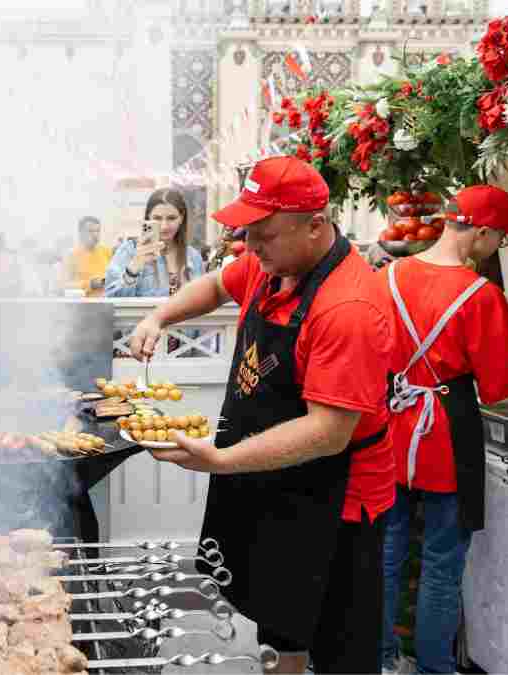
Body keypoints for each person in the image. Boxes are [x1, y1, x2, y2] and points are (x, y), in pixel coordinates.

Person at [127, 157, 396, 674]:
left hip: (337, 500)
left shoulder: (349, 308)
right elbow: (215, 285)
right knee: (280, 626)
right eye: (247, 233)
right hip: (277, 478)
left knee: (341, 648)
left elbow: (327, 432)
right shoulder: (275, 262)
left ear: (314, 226)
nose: (251, 247)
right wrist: (158, 315)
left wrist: (220, 460)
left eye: (263, 235)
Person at [378, 185, 508, 675]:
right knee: (441, 566)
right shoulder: (480, 295)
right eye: (502, 239)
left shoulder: (389, 276)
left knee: (385, 556)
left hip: (393, 431)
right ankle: (433, 668)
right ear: (482, 231)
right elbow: (496, 388)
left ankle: (380, 661)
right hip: (447, 438)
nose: (499, 247)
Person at [104, 188, 204, 298]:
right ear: (148, 218)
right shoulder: (129, 250)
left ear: (181, 218)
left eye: (171, 218)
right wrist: (134, 268)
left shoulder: (193, 256)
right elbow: (112, 299)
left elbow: (202, 301)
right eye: (157, 218)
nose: (164, 226)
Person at [63, 216, 113, 298]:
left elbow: (115, 279)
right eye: (90, 231)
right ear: (80, 233)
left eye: (97, 231)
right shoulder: (71, 255)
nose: (95, 235)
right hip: (82, 306)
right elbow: (64, 285)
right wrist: (90, 284)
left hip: (106, 303)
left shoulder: (107, 252)